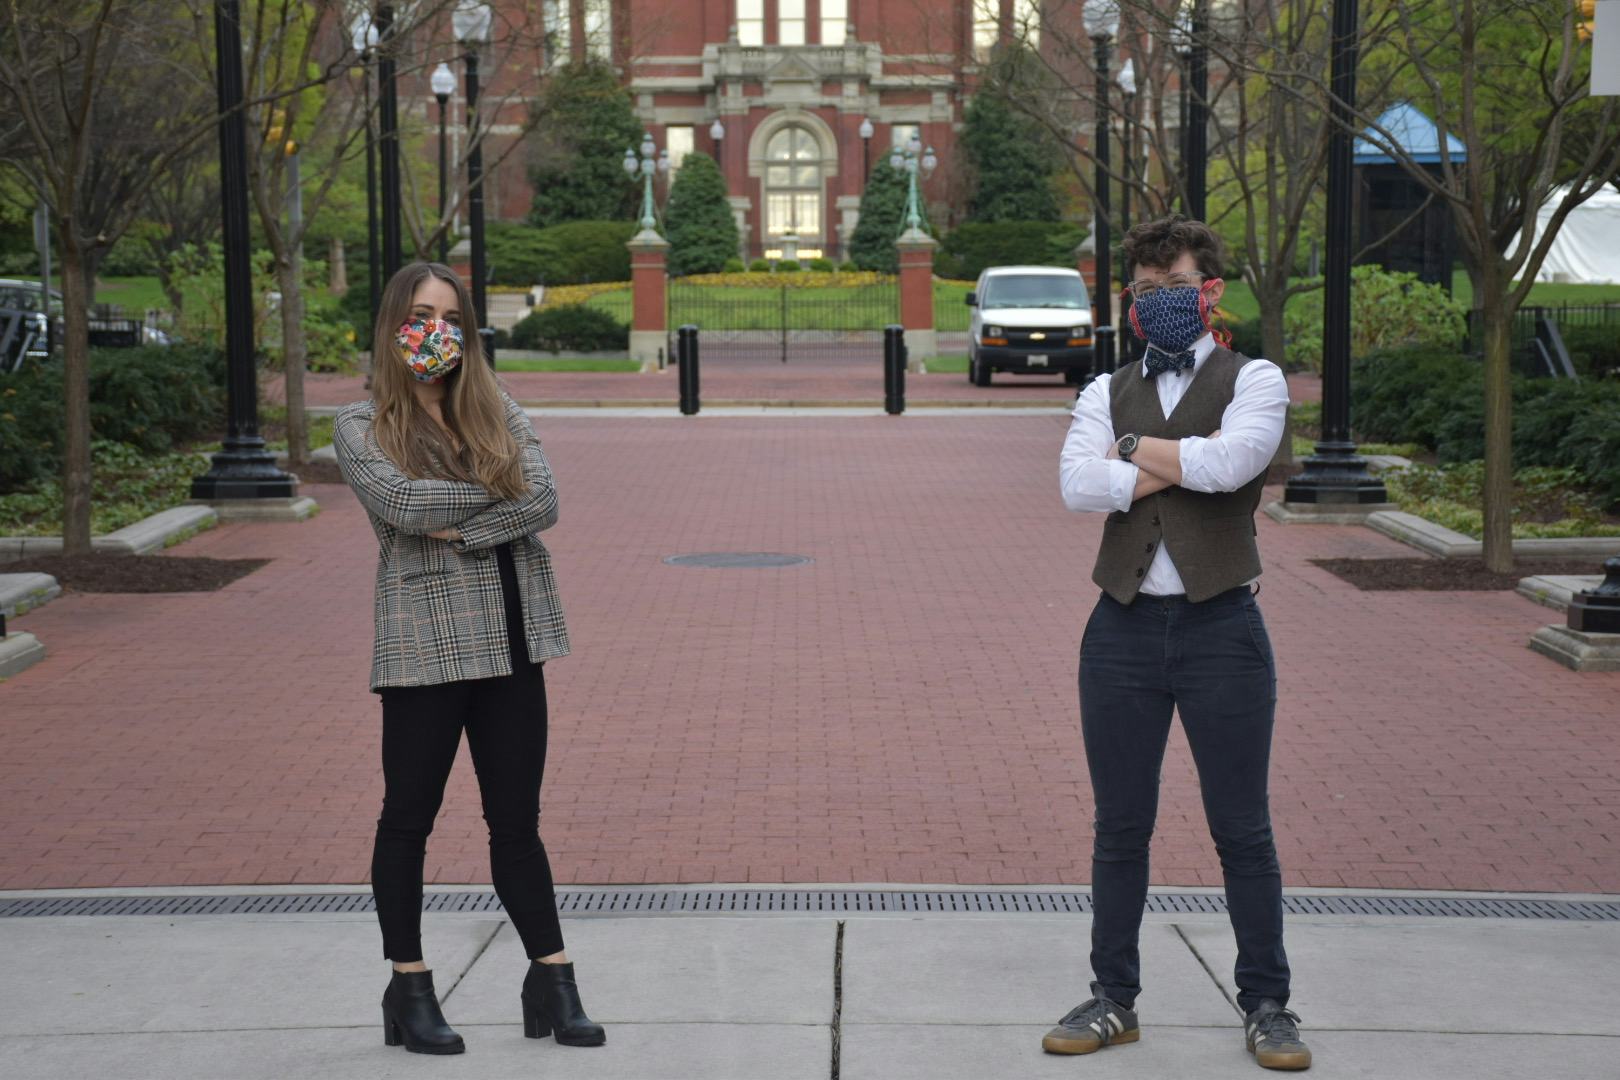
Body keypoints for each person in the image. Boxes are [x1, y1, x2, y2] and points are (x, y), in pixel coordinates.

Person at [1046, 216, 1310, 1071]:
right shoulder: (1104, 387)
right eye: (1144, 290)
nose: (1157, 302)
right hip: (1119, 629)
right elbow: (1079, 487)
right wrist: (1166, 457)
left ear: (1211, 292)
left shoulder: (1255, 377)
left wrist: (1134, 453)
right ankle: (1113, 998)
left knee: (1243, 829)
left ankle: (1268, 1004)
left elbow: (1235, 466)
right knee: (1120, 827)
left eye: (1173, 286)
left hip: (1222, 628)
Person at [333, 261, 604, 1056]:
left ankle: (551, 978)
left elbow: (545, 500)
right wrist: (498, 493)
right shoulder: (361, 426)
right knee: (408, 820)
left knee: (517, 823)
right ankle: (408, 984)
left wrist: (468, 523)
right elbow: (402, 504)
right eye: (421, 314)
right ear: (392, 325)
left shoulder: (497, 408)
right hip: (424, 644)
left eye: (451, 318)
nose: (435, 332)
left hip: (517, 640)